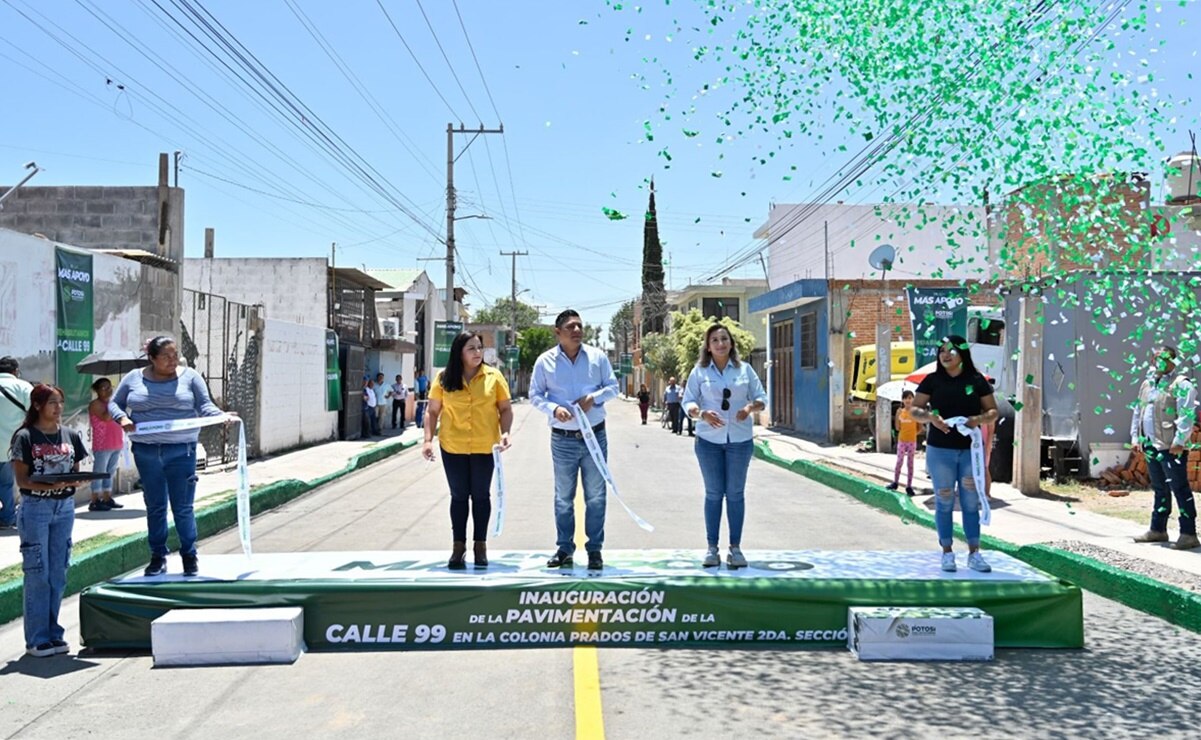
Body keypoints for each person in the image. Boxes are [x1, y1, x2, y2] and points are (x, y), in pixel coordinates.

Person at [109, 336, 230, 577]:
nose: (172, 360)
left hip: (181, 451)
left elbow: (205, 405)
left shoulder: (191, 377)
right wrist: (122, 418)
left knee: (183, 507)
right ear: (152, 358)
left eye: (175, 355)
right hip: (146, 451)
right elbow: (115, 404)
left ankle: (189, 554)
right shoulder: (133, 378)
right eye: (166, 356)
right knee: (155, 506)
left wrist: (220, 416)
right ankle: (157, 556)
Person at [530, 309, 619, 571]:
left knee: (595, 496)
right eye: (570, 327)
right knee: (563, 497)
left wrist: (594, 398)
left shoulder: (597, 357)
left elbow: (614, 387)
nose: (577, 331)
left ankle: (594, 551)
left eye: (579, 326)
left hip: (594, 436)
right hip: (563, 439)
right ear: (558, 332)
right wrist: (553, 410)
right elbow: (535, 395)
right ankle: (565, 549)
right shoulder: (544, 362)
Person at [11, 384, 91, 657]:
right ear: (37, 406)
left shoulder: (69, 435)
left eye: (61, 402)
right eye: (52, 403)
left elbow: (75, 471)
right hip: (36, 508)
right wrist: (48, 487)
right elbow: (22, 479)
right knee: (38, 572)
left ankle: (54, 633)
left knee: (59, 571)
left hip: (65, 508)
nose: (58, 408)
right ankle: (36, 638)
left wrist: (76, 483)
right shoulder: (25, 437)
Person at [422, 332, 513, 569]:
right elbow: (432, 412)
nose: (477, 353)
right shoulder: (443, 378)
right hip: (453, 446)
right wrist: (427, 440)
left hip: (485, 446)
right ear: (459, 352)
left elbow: (505, 408)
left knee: (481, 496)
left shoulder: (494, 377)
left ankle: (480, 546)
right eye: (471, 348)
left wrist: (505, 432)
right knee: (459, 496)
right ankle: (458, 547)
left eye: (479, 348)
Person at [909, 335, 999, 573]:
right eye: (941, 351)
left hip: (970, 451)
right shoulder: (932, 380)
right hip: (940, 451)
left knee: (970, 500)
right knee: (945, 499)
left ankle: (974, 553)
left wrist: (976, 420)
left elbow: (993, 412)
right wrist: (930, 418)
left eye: (951, 351)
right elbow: (915, 410)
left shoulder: (977, 380)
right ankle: (947, 552)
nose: (945, 355)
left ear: (962, 354)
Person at [683, 324, 767, 568]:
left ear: (731, 343)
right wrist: (700, 413)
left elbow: (762, 397)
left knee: (735, 494)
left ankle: (735, 548)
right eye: (715, 340)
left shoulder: (745, 370)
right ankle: (711, 548)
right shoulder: (699, 372)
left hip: (739, 441)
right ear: (708, 347)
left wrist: (750, 408)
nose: (720, 343)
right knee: (713, 494)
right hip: (708, 441)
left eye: (724, 339)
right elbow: (688, 400)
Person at [1130, 345, 1199, 551]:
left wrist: (1179, 440)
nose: (1159, 362)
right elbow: (1138, 411)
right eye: (1156, 358)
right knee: (1160, 488)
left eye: (1165, 358)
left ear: (1172, 361)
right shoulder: (1147, 384)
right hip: (1151, 444)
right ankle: (1158, 529)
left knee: (1179, 488)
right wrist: (1136, 436)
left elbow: (1186, 414)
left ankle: (1188, 533)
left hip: (1171, 446)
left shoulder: (1181, 384)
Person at [0, 355, 33, 530]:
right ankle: (7, 517)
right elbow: (35, 414)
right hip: (12, 447)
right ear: (15, 371)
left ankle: (7, 515)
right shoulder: (23, 387)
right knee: (7, 483)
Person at [87, 378, 125, 511]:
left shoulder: (113, 404)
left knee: (110, 472)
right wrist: (112, 402)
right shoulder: (95, 404)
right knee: (99, 472)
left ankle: (107, 497)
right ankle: (95, 499)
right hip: (103, 444)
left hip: (116, 441)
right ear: (97, 390)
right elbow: (106, 417)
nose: (108, 390)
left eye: (110, 387)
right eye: (104, 388)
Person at [887, 390, 921, 496]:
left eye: (910, 398)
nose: (908, 400)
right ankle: (895, 482)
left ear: (913, 399)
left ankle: (909, 486)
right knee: (899, 462)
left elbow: (920, 428)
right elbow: (897, 427)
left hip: (912, 441)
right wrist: (898, 415)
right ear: (902, 400)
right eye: (905, 398)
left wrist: (913, 434)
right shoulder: (899, 412)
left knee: (910, 464)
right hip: (902, 441)